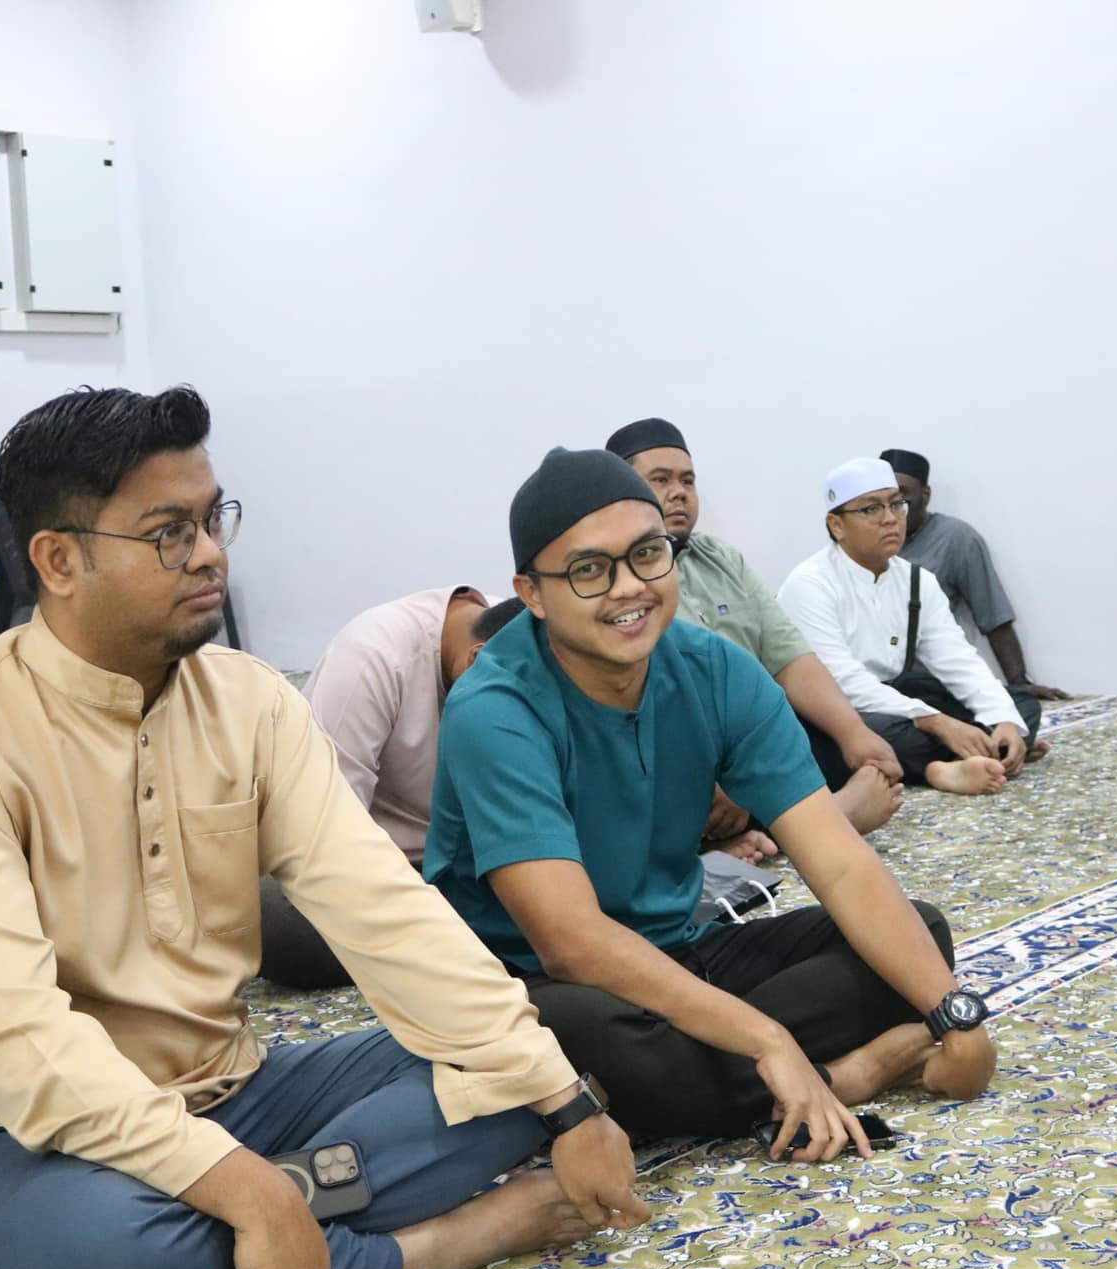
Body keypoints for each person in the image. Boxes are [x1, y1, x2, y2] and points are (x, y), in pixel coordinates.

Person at [0, 388, 644, 1269]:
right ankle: (418, 1249)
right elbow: (17, 1040)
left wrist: (563, 1103)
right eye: (169, 533)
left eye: (212, 519)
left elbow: (387, 912)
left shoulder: (252, 702)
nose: (209, 554)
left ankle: (256, 1242)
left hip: (232, 1094)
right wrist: (249, 1191)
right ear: (60, 560)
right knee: (111, 1254)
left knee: (524, 1065)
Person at [427, 448, 998, 1161]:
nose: (629, 588)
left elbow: (841, 863)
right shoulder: (495, 708)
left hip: (677, 951)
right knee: (600, 1044)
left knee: (919, 935)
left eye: (647, 555)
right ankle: (847, 1073)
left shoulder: (714, 668)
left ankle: (726, 1078)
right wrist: (767, 1038)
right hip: (531, 981)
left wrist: (955, 1015)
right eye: (588, 570)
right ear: (532, 593)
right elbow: (570, 943)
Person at [605, 417, 903, 839]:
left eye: (688, 481)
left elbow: (789, 657)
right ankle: (825, 822)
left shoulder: (721, 558)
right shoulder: (619, 579)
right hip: (678, 752)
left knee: (869, 736)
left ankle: (787, 821)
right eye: (661, 480)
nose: (679, 492)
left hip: (756, 738)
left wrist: (854, 735)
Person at [259, 590, 525, 988]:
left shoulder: (529, 641)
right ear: (476, 661)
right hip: (385, 871)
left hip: (496, 863)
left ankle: (466, 943)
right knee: (277, 918)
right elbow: (320, 835)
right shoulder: (371, 656)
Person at [776, 458, 1039, 796]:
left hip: (901, 699)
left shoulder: (917, 580)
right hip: (841, 710)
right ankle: (942, 766)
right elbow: (841, 682)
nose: (890, 519)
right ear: (836, 525)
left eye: (896, 504)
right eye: (871, 509)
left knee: (1022, 705)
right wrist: (937, 722)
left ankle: (979, 751)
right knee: (858, 733)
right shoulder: (809, 584)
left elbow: (957, 658)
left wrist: (1004, 719)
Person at [879, 448, 1067, 701]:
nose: (892, 509)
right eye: (883, 499)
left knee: (1020, 712)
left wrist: (1019, 682)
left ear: (926, 495)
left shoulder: (956, 539)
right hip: (869, 680)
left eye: (902, 496)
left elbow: (993, 616)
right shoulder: (863, 538)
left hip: (929, 685)